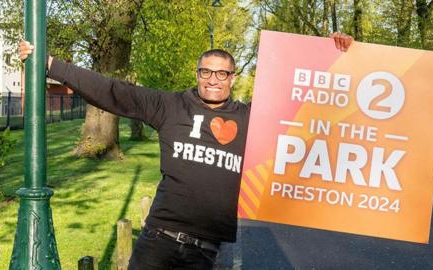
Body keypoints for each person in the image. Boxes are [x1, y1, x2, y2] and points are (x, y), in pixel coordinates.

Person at [19, 32, 353, 270]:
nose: (213, 79)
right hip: (156, 241)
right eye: (206, 71)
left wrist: (339, 56)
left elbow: (308, 104)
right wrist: (50, 64)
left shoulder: (252, 118)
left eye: (222, 73)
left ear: (232, 78)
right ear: (197, 74)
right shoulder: (171, 106)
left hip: (205, 253)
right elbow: (112, 91)